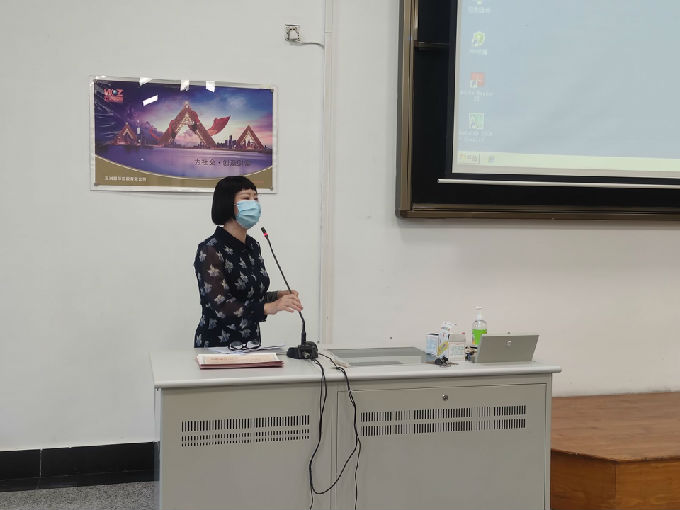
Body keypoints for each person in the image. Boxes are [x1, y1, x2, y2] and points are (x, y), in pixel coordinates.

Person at [193, 176, 303, 348]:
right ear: (227, 203)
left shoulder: (253, 246)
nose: (253, 203)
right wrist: (269, 307)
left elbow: (249, 296)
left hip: (251, 344)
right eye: (246, 198)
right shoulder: (210, 250)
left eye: (256, 198)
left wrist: (277, 296)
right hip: (217, 346)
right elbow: (222, 306)